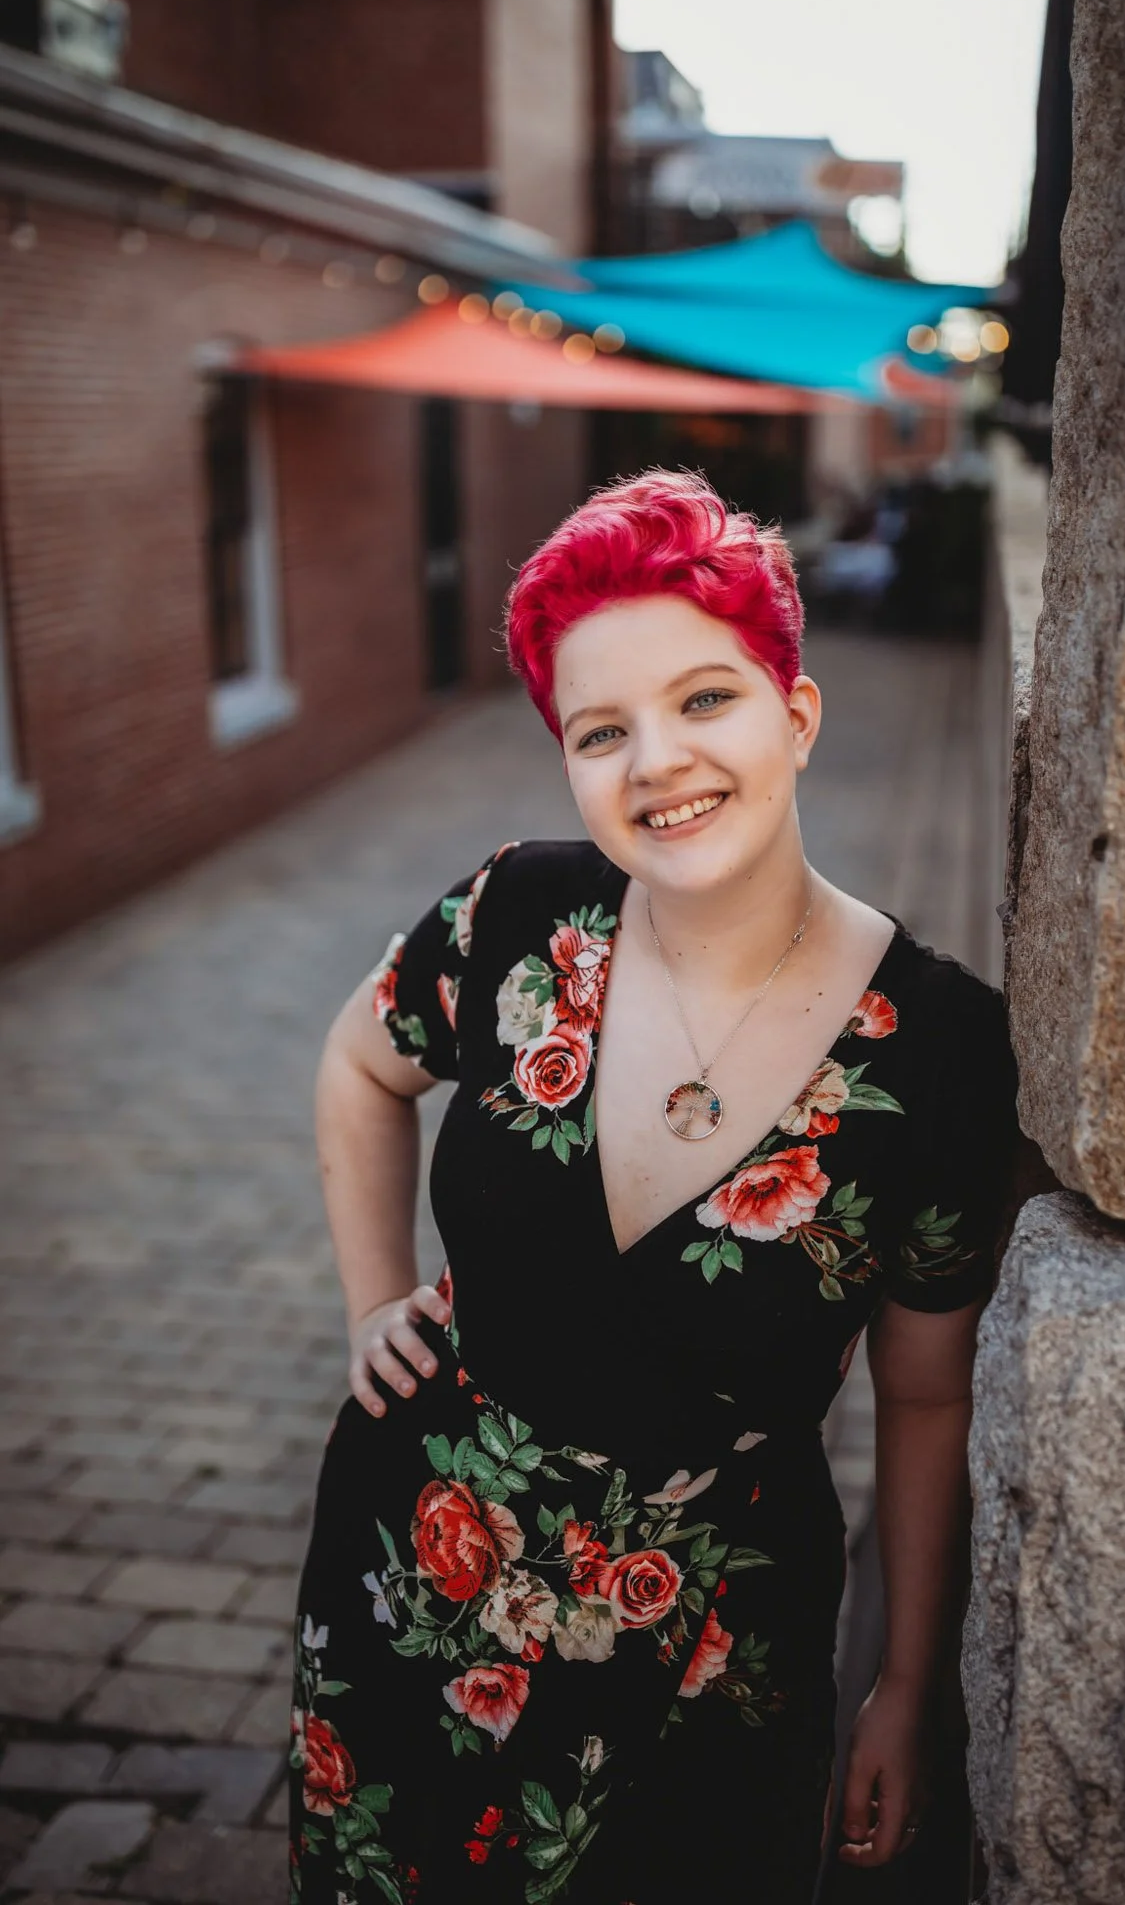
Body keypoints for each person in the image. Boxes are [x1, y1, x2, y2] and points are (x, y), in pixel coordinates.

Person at [288, 468, 1019, 1905]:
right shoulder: (515, 914)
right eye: (600, 730)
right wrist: (371, 1299)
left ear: (795, 717)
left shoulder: (938, 1051)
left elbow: (927, 1395)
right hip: (412, 1582)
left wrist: (902, 1686)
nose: (656, 765)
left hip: (708, 1652)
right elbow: (360, 1064)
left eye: (706, 701)